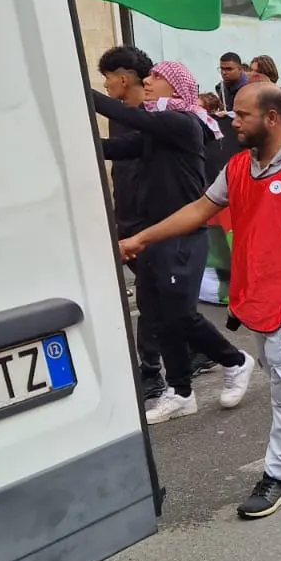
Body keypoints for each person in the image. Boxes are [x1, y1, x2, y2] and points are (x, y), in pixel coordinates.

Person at [119, 82, 281, 516]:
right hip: (255, 300)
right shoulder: (237, 168)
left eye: (242, 115)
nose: (233, 121)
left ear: (272, 118)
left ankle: (277, 476)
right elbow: (199, 209)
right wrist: (141, 238)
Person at [95, 59, 256, 423]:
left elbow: (137, 121)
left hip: (182, 234)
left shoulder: (182, 121)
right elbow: (118, 147)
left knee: (180, 314)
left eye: (155, 78)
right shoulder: (159, 127)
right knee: (157, 314)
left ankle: (235, 360)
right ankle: (181, 391)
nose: (148, 82)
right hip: (154, 234)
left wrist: (77, 92)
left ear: (175, 86)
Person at [97, 46, 166, 398]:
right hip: (127, 213)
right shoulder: (122, 113)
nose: (106, 85)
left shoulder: (155, 116)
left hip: (150, 219)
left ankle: (152, 370)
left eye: (107, 79)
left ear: (123, 79)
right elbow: (116, 153)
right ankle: (191, 351)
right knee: (159, 295)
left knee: (154, 293)